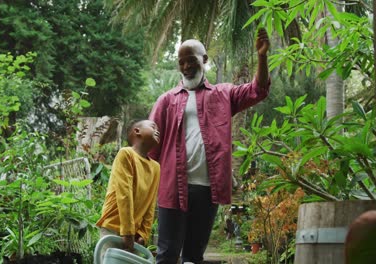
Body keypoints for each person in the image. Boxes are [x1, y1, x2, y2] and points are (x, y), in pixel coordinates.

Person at [148, 28, 271, 264]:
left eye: (191, 60)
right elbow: (151, 148)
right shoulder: (166, 100)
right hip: (173, 189)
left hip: (207, 190)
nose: (186, 66)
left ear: (204, 60)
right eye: (181, 62)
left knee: (194, 255)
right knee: (166, 254)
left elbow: (257, 90)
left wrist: (262, 57)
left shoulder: (223, 94)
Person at [95, 119, 161, 254]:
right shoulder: (126, 154)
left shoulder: (156, 167)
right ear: (137, 131)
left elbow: (151, 203)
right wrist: (128, 232)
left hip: (134, 235)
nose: (157, 131)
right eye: (153, 127)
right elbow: (124, 194)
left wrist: (143, 233)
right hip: (113, 226)